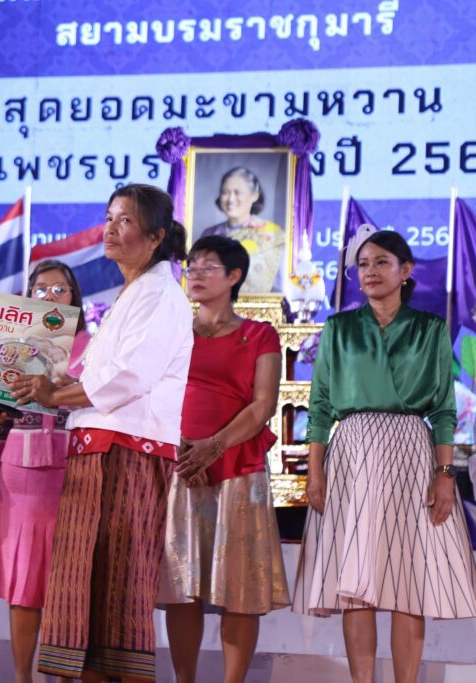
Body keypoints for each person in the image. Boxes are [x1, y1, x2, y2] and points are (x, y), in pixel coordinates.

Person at [10, 184, 193, 681]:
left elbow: (128, 377)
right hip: (97, 452)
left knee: (119, 597)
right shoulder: (131, 294)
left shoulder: (161, 295)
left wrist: (55, 395)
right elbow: (91, 378)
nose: (111, 228)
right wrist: (27, 389)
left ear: (155, 236)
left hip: (127, 454)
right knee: (87, 599)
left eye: (125, 220)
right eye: (109, 217)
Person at [293, 228, 476, 683]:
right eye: (363, 264)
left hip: (411, 450)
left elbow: (443, 409)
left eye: (381, 263)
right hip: (352, 451)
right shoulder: (338, 328)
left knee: (407, 579)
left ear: (405, 270)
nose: (370, 272)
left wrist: (445, 473)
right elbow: (320, 406)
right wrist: (315, 471)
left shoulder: (430, 328)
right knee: (357, 582)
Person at [158, 235, 290, 683]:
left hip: (238, 468)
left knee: (240, 589)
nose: (195, 273)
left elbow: (263, 404)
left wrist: (212, 446)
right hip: (180, 467)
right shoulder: (173, 331)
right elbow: (157, 394)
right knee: (182, 587)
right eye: (191, 266)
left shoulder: (260, 334)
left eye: (207, 266)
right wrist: (182, 450)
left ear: (234, 276)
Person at [0, 259, 89, 683]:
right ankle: (22, 676)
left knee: (69, 581)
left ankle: (65, 676)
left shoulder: (94, 347)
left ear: (75, 297)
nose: (50, 297)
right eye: (41, 290)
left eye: (60, 290)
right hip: (20, 474)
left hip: (76, 471)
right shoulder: (9, 346)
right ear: (27, 296)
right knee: (24, 582)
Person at [202, 167, 285, 294]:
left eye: (237, 192)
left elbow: (279, 288)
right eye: (225, 192)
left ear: (254, 196)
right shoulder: (209, 235)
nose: (231, 199)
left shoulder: (272, 235)